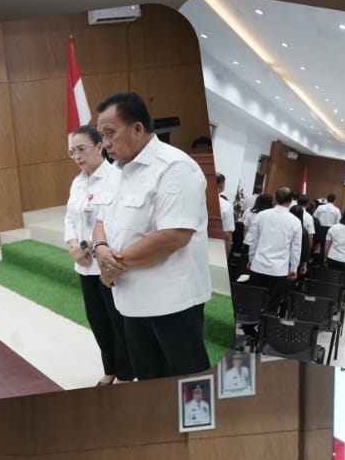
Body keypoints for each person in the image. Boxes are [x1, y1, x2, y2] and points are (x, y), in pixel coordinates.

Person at [92, 90, 211, 381]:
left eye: (110, 133)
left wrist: (112, 265)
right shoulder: (116, 171)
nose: (105, 143)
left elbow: (173, 236)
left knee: (187, 385)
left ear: (137, 129)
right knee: (148, 378)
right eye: (102, 136)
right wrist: (100, 248)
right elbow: (101, 220)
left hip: (172, 303)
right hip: (131, 302)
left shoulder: (174, 167)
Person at [64, 124, 131, 385]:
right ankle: (110, 368)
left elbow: (113, 221)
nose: (77, 156)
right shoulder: (77, 182)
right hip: (83, 264)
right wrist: (73, 245)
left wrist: (88, 246)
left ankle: (126, 373)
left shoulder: (116, 178)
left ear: (100, 146)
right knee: (97, 320)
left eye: (81, 149)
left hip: (105, 262)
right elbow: (70, 219)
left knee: (116, 320)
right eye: (73, 152)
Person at [244, 186, 303, 316]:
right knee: (271, 306)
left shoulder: (261, 215)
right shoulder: (295, 221)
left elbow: (253, 240)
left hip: (258, 265)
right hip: (279, 270)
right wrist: (293, 268)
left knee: (254, 302)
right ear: (291, 201)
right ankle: (265, 327)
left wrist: (251, 259)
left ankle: (249, 326)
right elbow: (296, 249)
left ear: (275, 199)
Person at [217, 173, 235, 258]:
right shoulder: (225, 205)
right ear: (221, 185)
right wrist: (226, 255)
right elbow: (227, 235)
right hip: (216, 247)